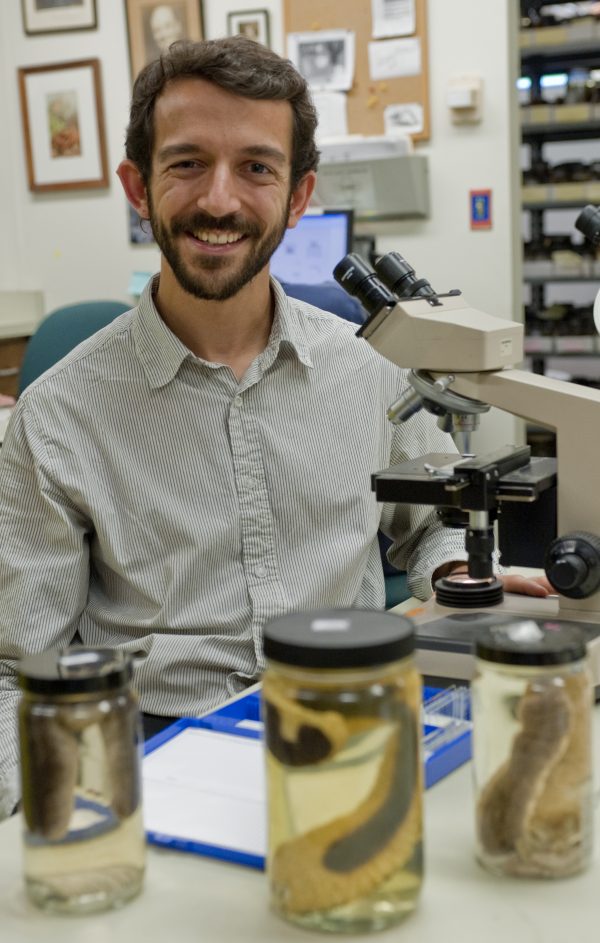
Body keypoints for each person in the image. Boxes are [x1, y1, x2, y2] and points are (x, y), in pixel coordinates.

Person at [0, 37, 549, 819]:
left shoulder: (371, 371)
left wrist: (456, 573)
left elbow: (428, 526)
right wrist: (61, 818)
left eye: (257, 167)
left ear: (298, 196)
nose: (219, 200)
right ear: (138, 186)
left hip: (356, 715)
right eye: (187, 162)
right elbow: (18, 674)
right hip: (152, 748)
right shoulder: (57, 416)